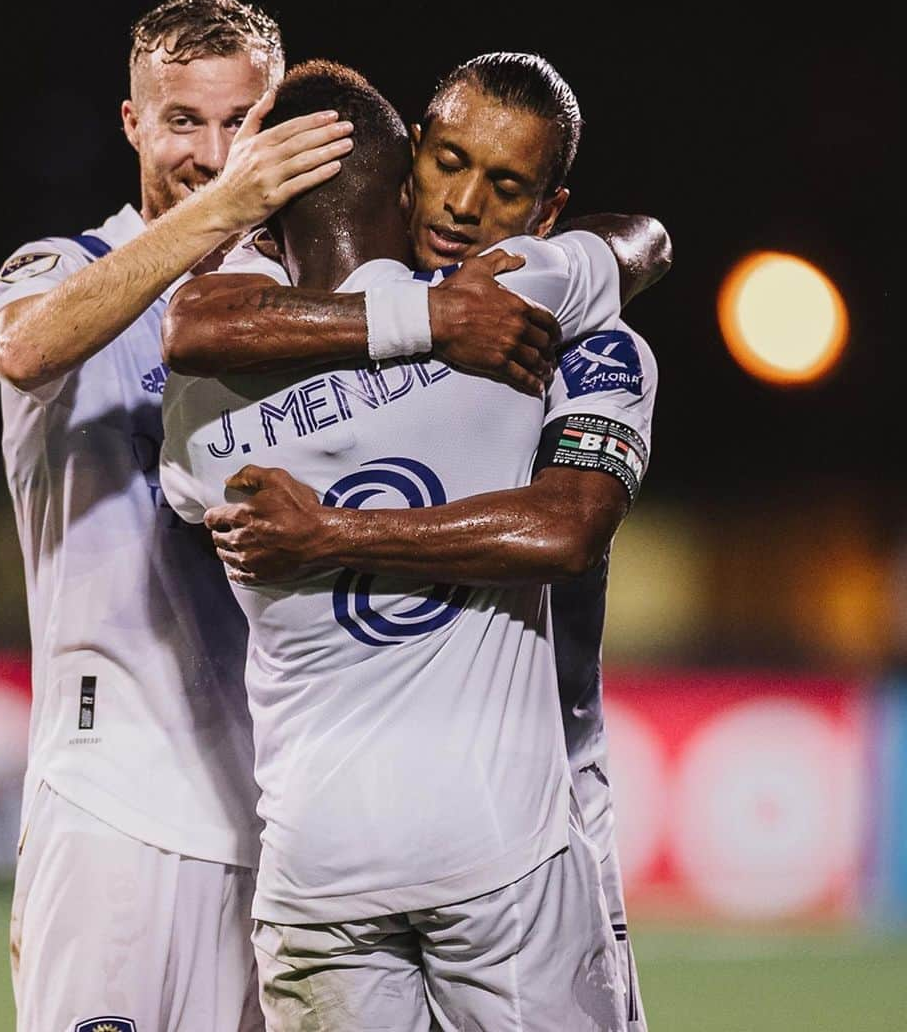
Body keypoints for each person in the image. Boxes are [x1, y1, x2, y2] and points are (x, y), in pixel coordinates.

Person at [164, 51, 668, 1029]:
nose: (466, 203)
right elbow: (642, 241)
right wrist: (423, 319)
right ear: (405, 175)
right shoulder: (527, 311)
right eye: (445, 164)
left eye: (506, 184)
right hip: (507, 839)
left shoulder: (204, 413)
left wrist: (324, 529)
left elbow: (196, 327)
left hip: (364, 846)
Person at [0, 0, 365, 1032]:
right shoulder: (66, 267)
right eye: (183, 120)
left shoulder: (310, 310)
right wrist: (227, 212)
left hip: (286, 823)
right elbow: (25, 346)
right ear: (133, 124)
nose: (214, 150)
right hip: (118, 809)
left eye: (242, 121)